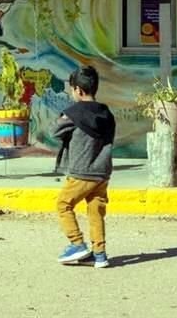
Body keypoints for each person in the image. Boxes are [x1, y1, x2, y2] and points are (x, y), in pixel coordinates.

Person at [53, 65, 116, 268]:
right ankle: (99, 255)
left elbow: (55, 131)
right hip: (102, 172)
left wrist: (64, 117)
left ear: (78, 90)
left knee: (63, 205)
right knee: (96, 211)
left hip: (81, 172)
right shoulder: (107, 113)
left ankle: (77, 243)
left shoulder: (73, 113)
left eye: (72, 90)